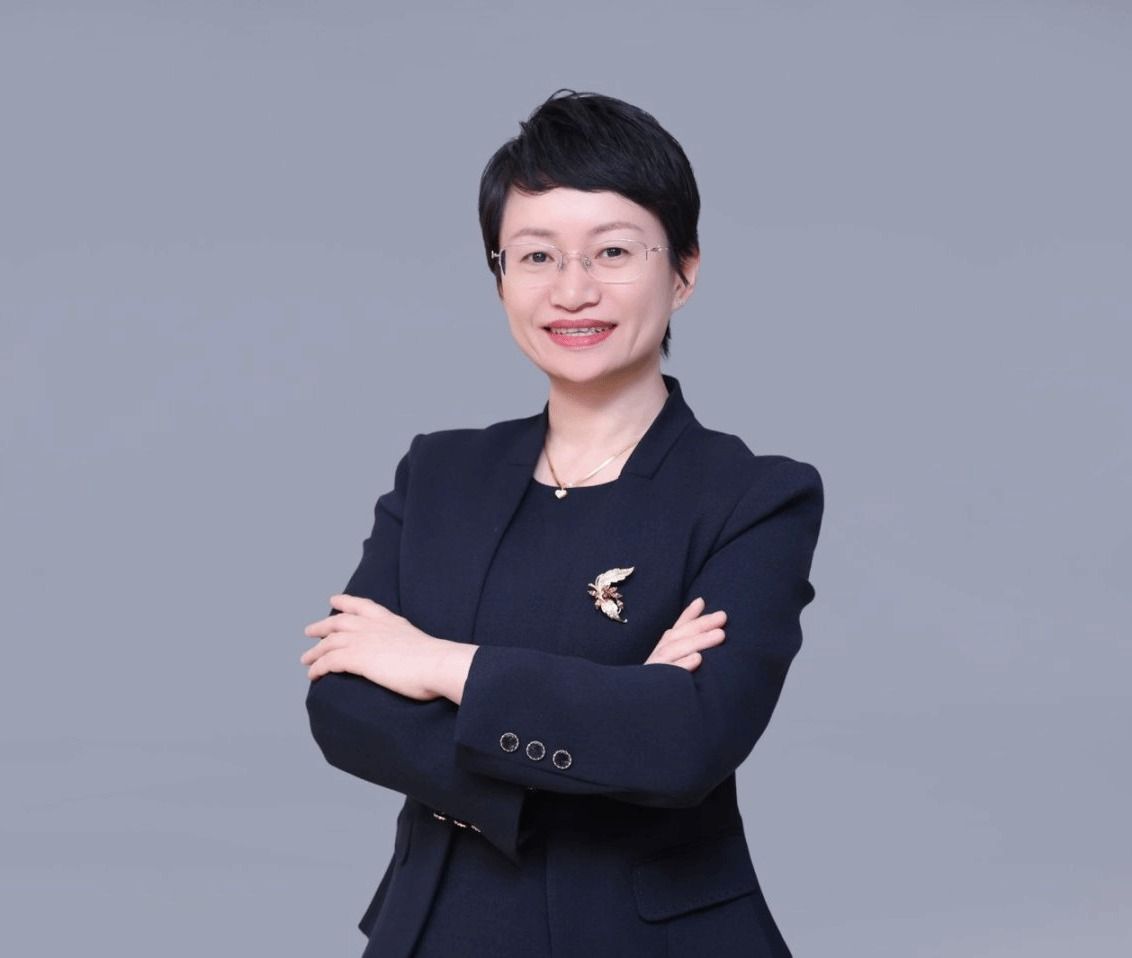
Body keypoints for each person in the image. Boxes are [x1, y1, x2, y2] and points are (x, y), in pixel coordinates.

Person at [300, 90, 824, 958]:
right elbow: (344, 706)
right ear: (500, 275)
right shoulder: (439, 474)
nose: (573, 290)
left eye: (613, 251)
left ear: (684, 270)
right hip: (435, 931)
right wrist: (612, 724)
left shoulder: (754, 496)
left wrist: (438, 664)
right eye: (536, 255)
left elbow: (686, 741)